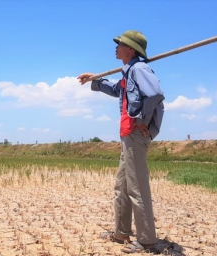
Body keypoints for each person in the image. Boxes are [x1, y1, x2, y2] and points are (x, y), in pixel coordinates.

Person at [78, 30, 164, 254]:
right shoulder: (128, 73)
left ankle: (146, 241)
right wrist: (95, 79)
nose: (116, 46)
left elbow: (154, 94)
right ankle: (121, 233)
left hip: (136, 135)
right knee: (122, 187)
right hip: (127, 134)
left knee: (137, 189)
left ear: (131, 50)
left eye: (120, 44)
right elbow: (116, 89)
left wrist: (142, 120)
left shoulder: (139, 68)